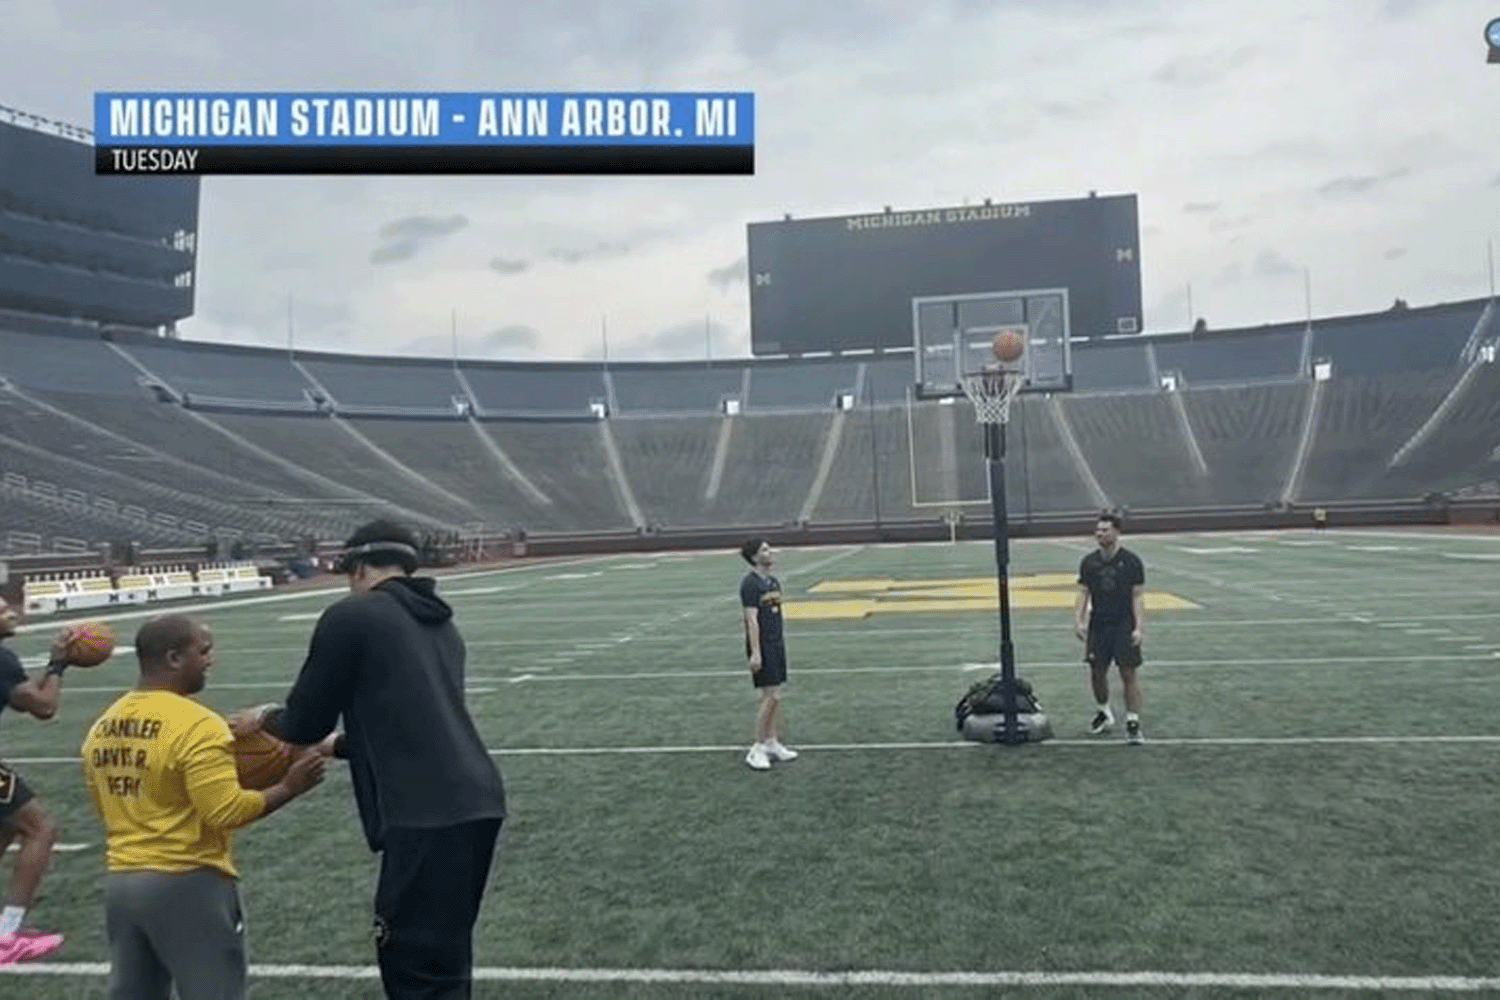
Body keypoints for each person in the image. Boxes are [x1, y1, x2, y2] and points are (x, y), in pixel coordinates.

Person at [239, 518, 507, 999]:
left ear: (358, 567)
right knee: (444, 960)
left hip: (423, 810)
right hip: (476, 800)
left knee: (411, 964)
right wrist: (335, 746)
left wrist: (262, 717)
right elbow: (412, 723)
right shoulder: (441, 624)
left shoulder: (353, 615)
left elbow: (303, 722)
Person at [80, 613, 325, 999]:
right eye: (203, 650)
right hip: (188, 881)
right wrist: (290, 787)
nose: (210, 659)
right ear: (174, 658)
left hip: (122, 883)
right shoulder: (197, 724)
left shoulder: (103, 726)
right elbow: (226, 811)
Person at [0, 601, 74, 964]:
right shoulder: (2, 659)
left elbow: (22, 700)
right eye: (1, 611)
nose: (12, 613)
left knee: (6, 827)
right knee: (39, 829)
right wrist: (58, 664)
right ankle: (7, 936)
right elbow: (44, 707)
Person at [1073, 512, 1147, 744]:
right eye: (1098, 530)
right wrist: (1078, 620)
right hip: (1099, 624)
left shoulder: (1131, 561)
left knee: (1128, 673)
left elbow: (1137, 596)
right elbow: (1083, 592)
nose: (1099, 534)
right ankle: (1104, 712)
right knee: (1097, 671)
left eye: (1105, 530)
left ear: (1116, 532)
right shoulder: (1089, 562)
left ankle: (1133, 721)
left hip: (1123, 623)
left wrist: (1139, 627)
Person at [740, 538, 798, 771]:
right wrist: (756, 652)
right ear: (755, 557)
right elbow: (751, 619)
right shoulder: (750, 584)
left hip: (776, 644)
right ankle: (757, 747)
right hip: (762, 645)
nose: (770, 552)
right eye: (764, 550)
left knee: (775, 696)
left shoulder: (773, 582)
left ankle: (772, 742)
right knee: (770, 697)